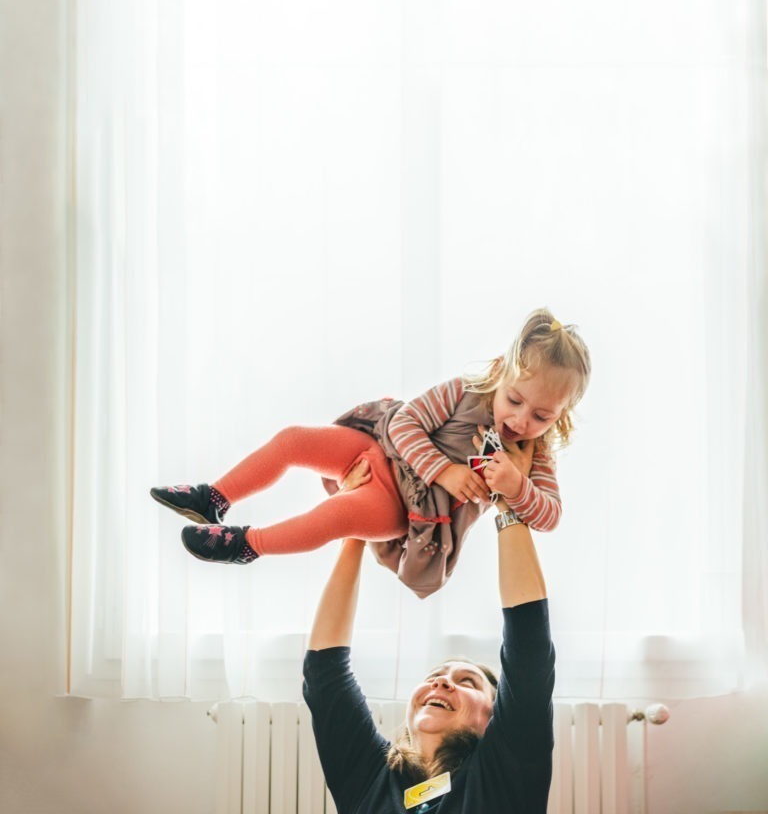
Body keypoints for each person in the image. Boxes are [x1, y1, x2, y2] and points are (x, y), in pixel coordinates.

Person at [150, 307, 590, 596]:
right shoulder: (464, 393)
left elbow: (550, 515)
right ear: (500, 372)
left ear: (561, 415)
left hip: (403, 507)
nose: (520, 421)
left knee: (335, 519)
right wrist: (445, 472)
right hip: (379, 451)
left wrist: (516, 485)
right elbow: (403, 424)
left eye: (542, 416)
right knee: (293, 440)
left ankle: (247, 544)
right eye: (514, 401)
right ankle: (214, 497)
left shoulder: (535, 454)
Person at [303, 457, 555, 813]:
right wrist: (356, 526)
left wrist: (507, 496)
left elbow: (529, 647)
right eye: (435, 677)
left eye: (467, 681)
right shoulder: (371, 777)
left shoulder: (505, 770)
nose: (441, 684)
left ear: (495, 717)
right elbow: (324, 676)